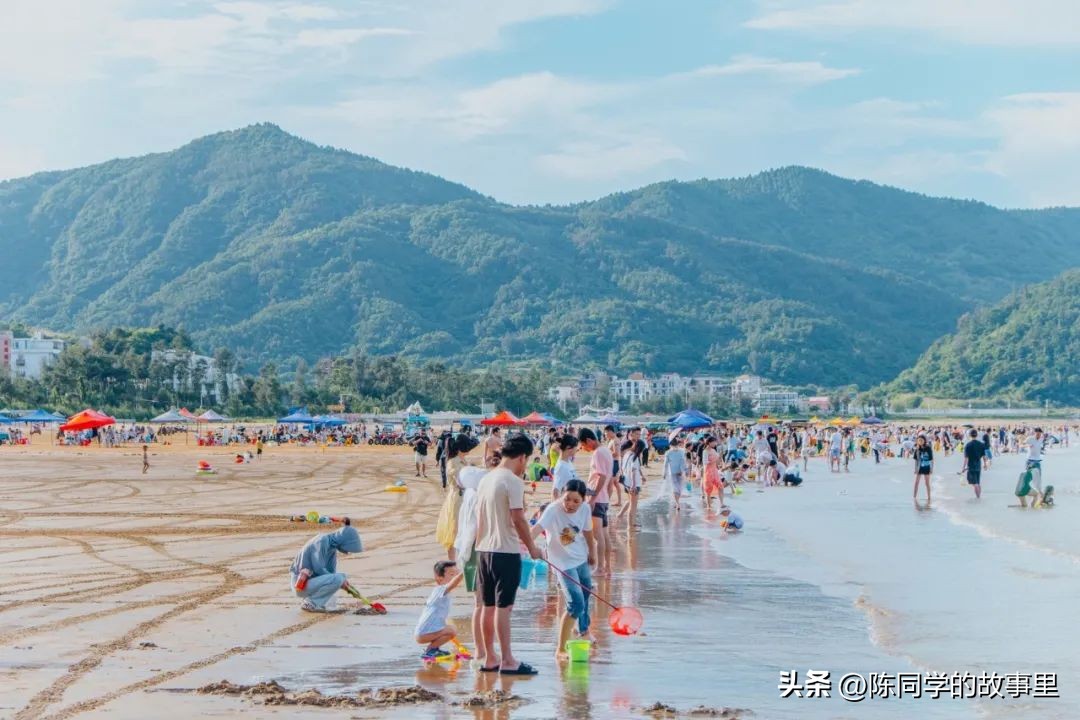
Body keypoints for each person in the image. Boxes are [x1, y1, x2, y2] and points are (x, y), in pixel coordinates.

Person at [474, 434, 542, 675]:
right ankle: (508, 660)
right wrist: (532, 547)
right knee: (504, 608)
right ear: (522, 457)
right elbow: (518, 518)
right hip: (505, 551)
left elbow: (479, 518)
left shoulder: (486, 479)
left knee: (487, 606)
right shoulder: (513, 481)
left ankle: (490, 658)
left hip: (483, 550)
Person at [532, 478, 596, 659]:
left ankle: (583, 631)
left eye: (576, 501)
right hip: (562, 564)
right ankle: (560, 649)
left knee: (586, 594)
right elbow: (536, 528)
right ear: (562, 495)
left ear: (583, 500)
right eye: (567, 499)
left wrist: (593, 552)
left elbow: (588, 532)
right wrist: (530, 546)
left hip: (580, 558)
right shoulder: (553, 509)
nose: (570, 504)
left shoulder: (585, 509)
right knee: (576, 604)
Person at [290, 518, 364, 612]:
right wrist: (341, 581)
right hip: (300, 584)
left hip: (311, 583)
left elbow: (331, 575)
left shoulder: (331, 548)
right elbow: (318, 568)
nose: (348, 551)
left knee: (341, 578)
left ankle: (318, 603)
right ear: (344, 540)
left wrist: (347, 586)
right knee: (339, 578)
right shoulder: (322, 541)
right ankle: (311, 603)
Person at [436, 434, 478, 562]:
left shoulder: (462, 461)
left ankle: (459, 562)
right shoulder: (453, 462)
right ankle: (452, 562)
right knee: (454, 531)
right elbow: (461, 481)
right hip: (457, 499)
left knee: (465, 529)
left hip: (464, 498)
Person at [415, 560, 466, 661]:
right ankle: (430, 650)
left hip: (425, 632)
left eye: (456, 574)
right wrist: (465, 571)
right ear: (439, 578)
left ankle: (435, 649)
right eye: (451, 574)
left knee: (449, 628)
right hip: (423, 633)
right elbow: (453, 584)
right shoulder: (440, 589)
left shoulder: (442, 591)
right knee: (452, 630)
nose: (455, 577)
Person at [578, 428, 613, 576]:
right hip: (603, 499)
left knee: (598, 536)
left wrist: (592, 499)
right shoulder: (606, 451)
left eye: (583, 445)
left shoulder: (598, 453)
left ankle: (600, 568)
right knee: (604, 534)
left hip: (597, 499)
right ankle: (607, 567)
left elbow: (602, 477)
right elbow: (609, 478)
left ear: (588, 440)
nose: (584, 448)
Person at [616, 439, 645, 526]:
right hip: (633, 484)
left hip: (626, 482)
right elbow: (633, 471)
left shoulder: (627, 454)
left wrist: (642, 476)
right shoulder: (635, 457)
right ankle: (631, 525)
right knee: (633, 506)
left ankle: (620, 515)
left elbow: (624, 468)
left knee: (630, 501)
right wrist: (634, 485)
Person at [662, 435, 688, 511]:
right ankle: (677, 503)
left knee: (676, 488)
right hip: (678, 472)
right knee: (678, 488)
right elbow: (684, 462)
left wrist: (664, 473)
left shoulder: (669, 452)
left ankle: (677, 502)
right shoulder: (681, 451)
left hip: (674, 472)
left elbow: (665, 464)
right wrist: (684, 470)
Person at [960, 428, 985, 499]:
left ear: (970, 435)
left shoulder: (968, 445)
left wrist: (963, 468)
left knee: (975, 483)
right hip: (978, 466)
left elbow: (966, 458)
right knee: (977, 482)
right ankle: (979, 497)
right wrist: (985, 465)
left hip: (971, 466)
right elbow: (984, 456)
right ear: (977, 435)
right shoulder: (981, 444)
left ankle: (978, 498)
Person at [701, 435, 723, 509]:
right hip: (708, 472)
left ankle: (721, 504)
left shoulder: (713, 450)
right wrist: (714, 460)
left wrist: (720, 458)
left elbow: (717, 461)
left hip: (715, 471)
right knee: (708, 490)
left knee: (720, 486)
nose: (715, 443)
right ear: (709, 442)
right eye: (714, 442)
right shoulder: (705, 451)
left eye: (715, 442)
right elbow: (705, 462)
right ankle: (709, 506)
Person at [913, 434, 933, 505]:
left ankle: (929, 497)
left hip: (927, 467)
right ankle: (914, 497)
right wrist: (915, 469)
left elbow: (931, 459)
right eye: (919, 440)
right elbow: (916, 460)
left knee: (927, 483)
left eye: (921, 440)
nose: (920, 441)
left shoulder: (928, 448)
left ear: (924, 441)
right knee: (916, 482)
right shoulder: (917, 449)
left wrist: (931, 469)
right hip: (919, 468)